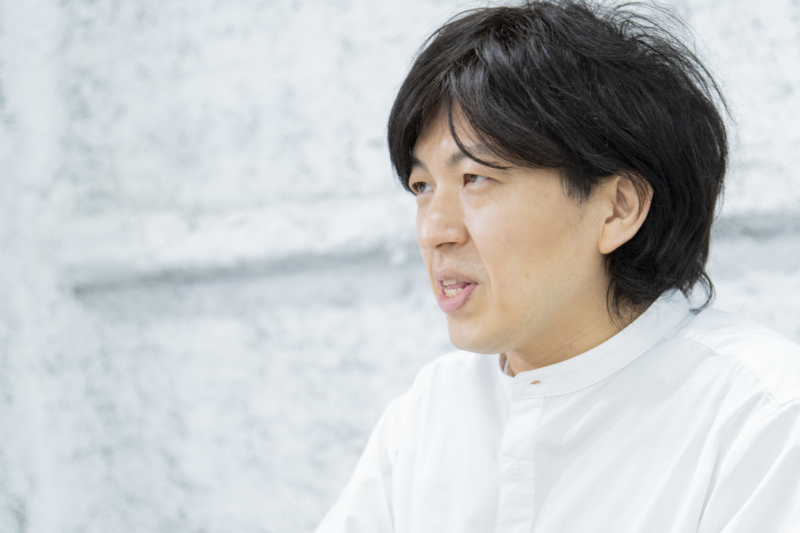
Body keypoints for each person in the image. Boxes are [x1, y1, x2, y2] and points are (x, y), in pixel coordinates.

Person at [316, 1, 800, 531]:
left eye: (476, 178)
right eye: (422, 186)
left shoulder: (762, 416)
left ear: (618, 209)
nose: (433, 231)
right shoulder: (430, 413)